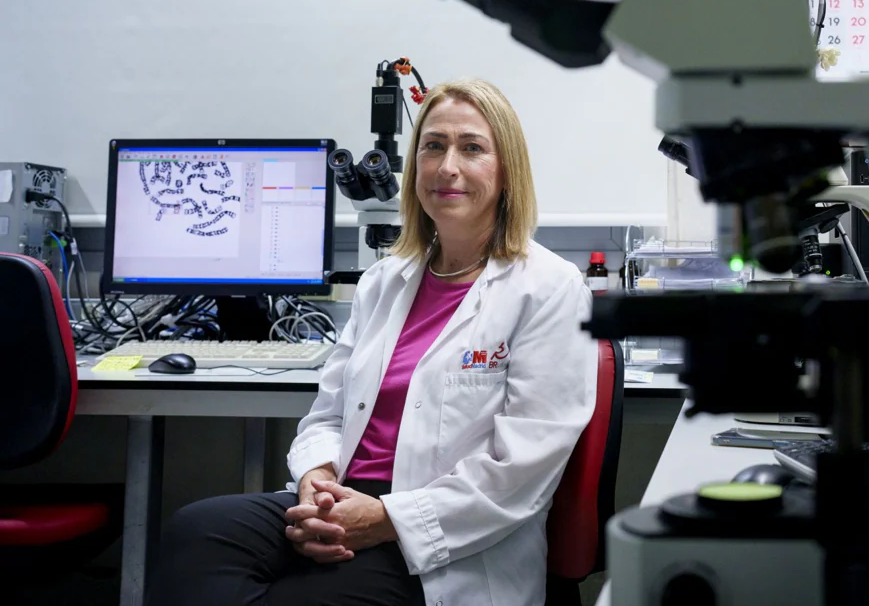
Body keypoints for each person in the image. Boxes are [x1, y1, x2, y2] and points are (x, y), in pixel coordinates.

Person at [147, 78, 598, 606]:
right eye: (433, 146)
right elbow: (328, 416)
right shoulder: (384, 282)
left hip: (444, 539)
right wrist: (316, 481)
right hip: (344, 503)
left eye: (472, 148)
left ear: (506, 171)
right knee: (197, 532)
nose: (447, 166)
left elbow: (521, 468)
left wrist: (384, 519)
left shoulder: (547, 288)